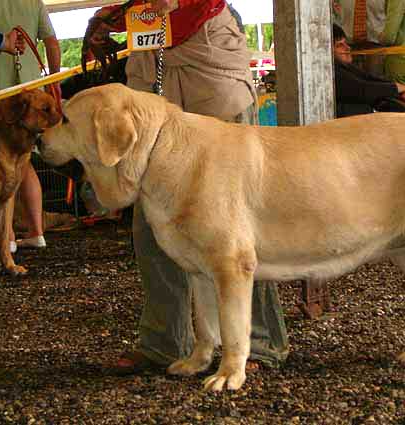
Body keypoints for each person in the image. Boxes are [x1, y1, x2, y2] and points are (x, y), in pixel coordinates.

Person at [87, 0, 288, 374]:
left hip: (210, 64)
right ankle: (165, 341)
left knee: (238, 223)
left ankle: (256, 343)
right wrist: (115, 16)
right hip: (153, 66)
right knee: (152, 217)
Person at [0, 0, 62, 251]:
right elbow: (52, 42)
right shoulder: (34, 2)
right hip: (33, 95)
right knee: (23, 161)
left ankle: (7, 237)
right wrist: (55, 80)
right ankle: (36, 231)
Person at [333, 24, 405, 117]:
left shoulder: (346, 67)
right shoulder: (333, 72)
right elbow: (362, 89)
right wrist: (397, 88)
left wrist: (400, 90)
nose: (348, 48)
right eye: (339, 45)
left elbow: (369, 78)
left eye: (346, 43)